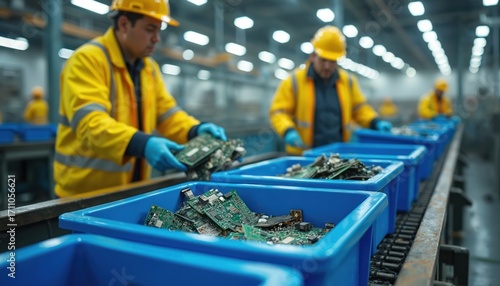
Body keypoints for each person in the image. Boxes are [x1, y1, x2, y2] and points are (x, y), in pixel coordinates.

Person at [54, 0, 226, 197]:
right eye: (150, 29)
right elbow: (90, 124)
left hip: (133, 189)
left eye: (158, 30)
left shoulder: (149, 68)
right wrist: (142, 144)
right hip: (84, 196)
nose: (156, 39)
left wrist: (194, 129)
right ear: (124, 24)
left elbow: (166, 114)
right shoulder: (87, 60)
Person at [269, 25, 392, 155]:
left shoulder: (348, 81)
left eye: (332, 61)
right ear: (313, 56)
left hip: (337, 155)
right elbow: (278, 112)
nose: (327, 66)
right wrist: (288, 131)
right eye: (323, 60)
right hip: (303, 155)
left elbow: (360, 109)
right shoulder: (294, 81)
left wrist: (374, 121)